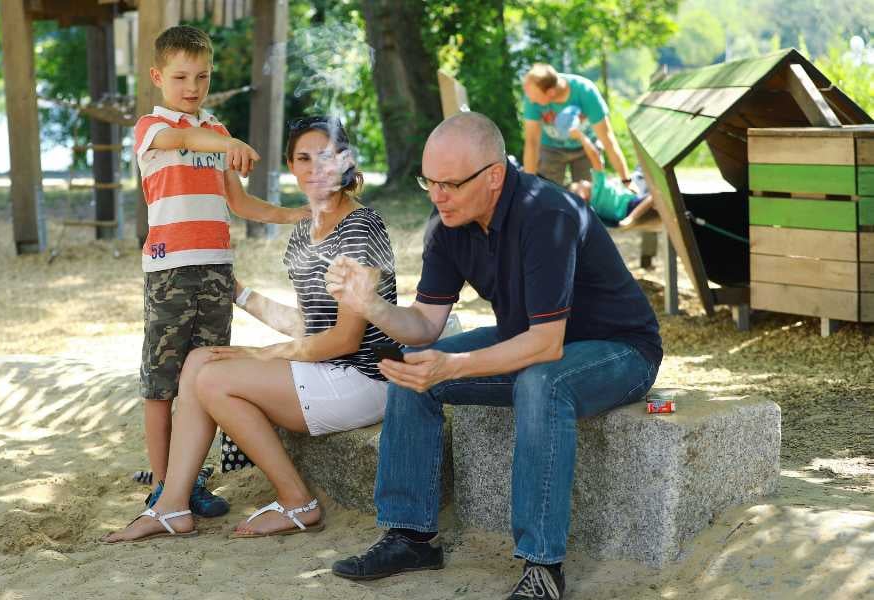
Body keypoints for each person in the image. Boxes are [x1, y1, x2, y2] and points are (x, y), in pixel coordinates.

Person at [326, 112, 662, 599]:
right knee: (412, 369)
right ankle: (409, 536)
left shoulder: (545, 213)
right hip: (534, 343)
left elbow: (546, 345)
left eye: (449, 184)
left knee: (541, 384)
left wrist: (455, 366)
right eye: (429, 182)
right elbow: (424, 325)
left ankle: (543, 568)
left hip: (620, 351)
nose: (436, 195)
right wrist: (369, 305)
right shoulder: (446, 223)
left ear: (494, 177)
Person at [100, 115, 399, 543]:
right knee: (200, 359)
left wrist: (257, 355)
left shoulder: (360, 227)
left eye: (327, 156)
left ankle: (298, 499)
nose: (315, 167)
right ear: (290, 167)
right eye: (303, 158)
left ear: (346, 161)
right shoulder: (304, 232)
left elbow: (345, 339)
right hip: (327, 369)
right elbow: (308, 325)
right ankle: (172, 505)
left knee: (216, 376)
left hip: (364, 377)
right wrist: (239, 294)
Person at [133, 25, 308, 519]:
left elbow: (240, 202)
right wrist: (219, 139)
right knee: (162, 382)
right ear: (157, 76)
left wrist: (291, 214)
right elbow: (184, 139)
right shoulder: (152, 127)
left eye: (202, 77)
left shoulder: (218, 133)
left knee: (204, 375)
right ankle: (164, 486)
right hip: (170, 270)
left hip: (216, 270)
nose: (192, 87)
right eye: (181, 76)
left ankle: (193, 478)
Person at [522, 62, 634, 189]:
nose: (531, 101)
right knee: (548, 194)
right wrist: (528, 188)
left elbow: (607, 139)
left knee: (590, 196)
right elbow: (531, 143)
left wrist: (627, 180)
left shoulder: (585, 92)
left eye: (535, 97)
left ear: (551, 92)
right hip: (551, 149)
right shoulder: (532, 97)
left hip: (585, 148)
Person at [567, 128, 654, 228]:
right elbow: (594, 157)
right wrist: (581, 136)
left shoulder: (594, 207)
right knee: (655, 196)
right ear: (582, 195)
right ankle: (632, 217)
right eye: (579, 184)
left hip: (625, 210)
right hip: (631, 205)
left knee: (640, 173)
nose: (581, 180)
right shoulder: (597, 188)